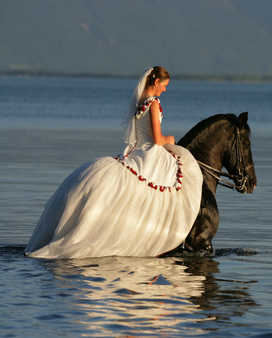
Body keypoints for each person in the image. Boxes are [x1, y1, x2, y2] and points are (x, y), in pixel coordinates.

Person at [25, 67, 203, 258]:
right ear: (156, 82)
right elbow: (157, 139)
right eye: (165, 86)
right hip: (150, 154)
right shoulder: (153, 104)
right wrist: (169, 138)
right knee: (183, 176)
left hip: (137, 152)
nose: (165, 90)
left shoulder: (140, 100)